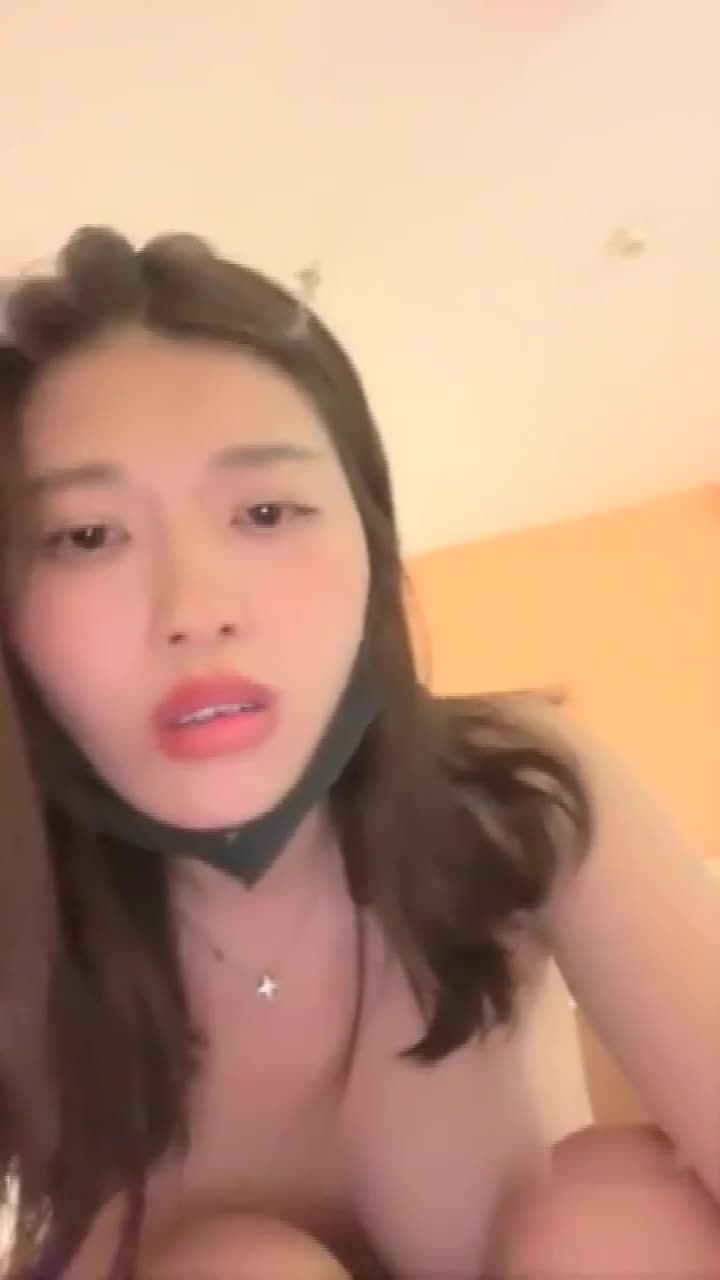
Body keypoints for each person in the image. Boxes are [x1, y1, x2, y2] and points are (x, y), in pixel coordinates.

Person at [0, 227, 717, 1280]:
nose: (197, 607)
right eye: (87, 536)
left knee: (618, 1215)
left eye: (266, 511)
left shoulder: (512, 797)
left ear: (373, 545)